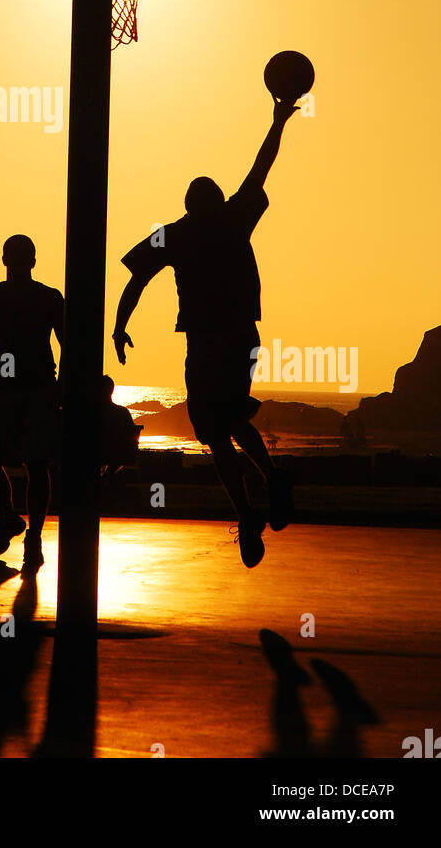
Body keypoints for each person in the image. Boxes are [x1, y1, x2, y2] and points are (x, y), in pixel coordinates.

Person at [112, 95, 299, 568]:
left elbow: (136, 278)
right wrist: (277, 121)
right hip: (237, 337)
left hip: (210, 341)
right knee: (231, 423)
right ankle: (267, 486)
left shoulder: (175, 232)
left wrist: (119, 325)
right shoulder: (232, 217)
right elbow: (262, 165)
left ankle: (249, 510)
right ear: (214, 201)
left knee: (216, 433)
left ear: (188, 205)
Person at [0, 235, 64, 571]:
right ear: (34, 260)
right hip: (35, 387)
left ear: (4, 259)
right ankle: (23, 529)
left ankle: (19, 526)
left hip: (20, 387)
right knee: (31, 464)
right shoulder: (48, 298)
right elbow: (68, 345)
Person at [98, 376, 143, 478]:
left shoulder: (93, 413)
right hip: (121, 454)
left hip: (100, 452)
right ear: (112, 390)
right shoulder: (123, 412)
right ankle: (107, 477)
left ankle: (105, 478)